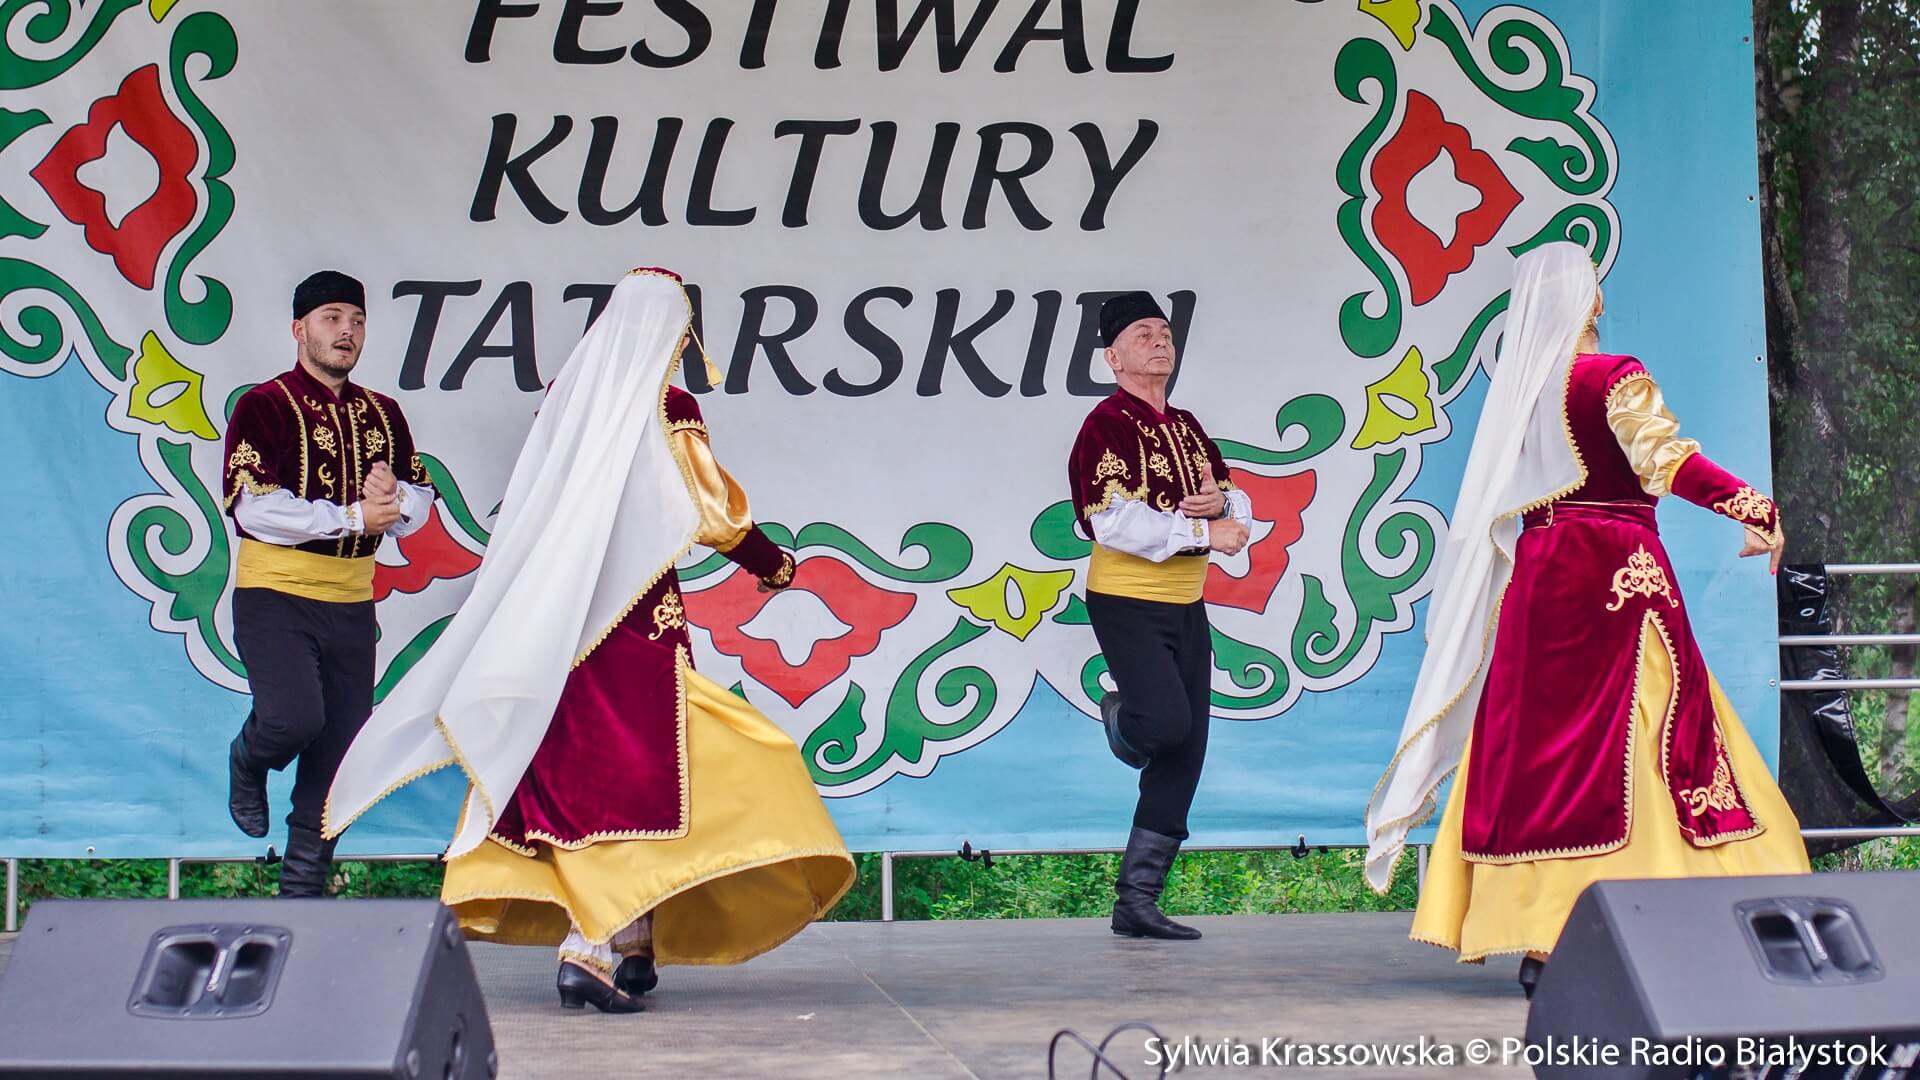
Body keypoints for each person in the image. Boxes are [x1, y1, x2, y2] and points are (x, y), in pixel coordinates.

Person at [323, 267, 854, 1014]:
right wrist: (774, 565)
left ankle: (634, 944)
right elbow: (711, 513)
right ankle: (590, 944)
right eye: (681, 332)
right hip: (635, 622)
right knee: (656, 777)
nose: (682, 347)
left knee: (591, 776)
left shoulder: (567, 402)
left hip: (557, 622)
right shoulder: (668, 407)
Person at [1364, 243, 1810, 996]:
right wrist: (1751, 505)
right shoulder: (1613, 376)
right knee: (1648, 727)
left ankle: (1542, 936)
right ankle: (1674, 919)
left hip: (1539, 578)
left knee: (1537, 743)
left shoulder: (1519, 395)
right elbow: (1665, 459)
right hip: (1614, 571)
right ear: (1592, 298)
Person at [222, 270, 434, 896]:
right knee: (291, 720)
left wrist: (395, 499)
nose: (347, 331)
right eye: (332, 318)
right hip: (276, 594)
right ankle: (249, 757)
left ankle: (301, 895)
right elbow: (253, 507)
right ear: (300, 329)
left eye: (357, 320)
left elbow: (418, 500)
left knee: (339, 752)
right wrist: (352, 517)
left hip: (350, 599)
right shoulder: (263, 405)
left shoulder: (384, 413)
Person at [1067, 291, 1253, 941]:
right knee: (1167, 724)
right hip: (1126, 598)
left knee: (1188, 749)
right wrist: (1204, 532)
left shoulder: (1187, 425)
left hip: (1185, 601)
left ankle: (1137, 901)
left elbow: (1234, 502)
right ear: (1113, 357)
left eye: (1166, 332)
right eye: (1143, 333)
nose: (1160, 341)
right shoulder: (1105, 426)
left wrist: (1222, 510)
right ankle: (1124, 715)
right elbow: (1107, 520)